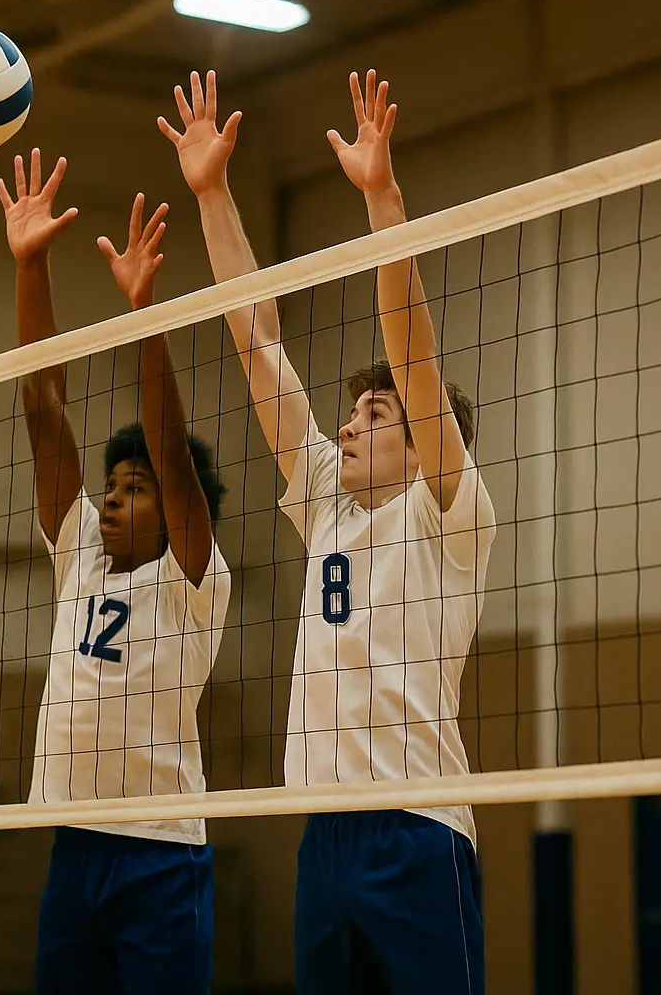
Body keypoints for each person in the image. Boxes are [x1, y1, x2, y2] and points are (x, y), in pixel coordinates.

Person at [162, 69, 496, 993]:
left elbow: (413, 349)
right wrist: (213, 193)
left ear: (429, 438)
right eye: (350, 413)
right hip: (325, 832)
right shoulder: (326, 503)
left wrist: (383, 200)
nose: (348, 425)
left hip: (420, 832)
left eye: (373, 413)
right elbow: (254, 337)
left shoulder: (449, 512)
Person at [0, 148, 232, 993]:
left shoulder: (193, 579)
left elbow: (170, 450)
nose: (111, 501)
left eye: (135, 491)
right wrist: (32, 265)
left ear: (175, 510)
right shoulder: (81, 558)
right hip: (77, 839)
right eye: (112, 487)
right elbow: (41, 404)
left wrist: (144, 318)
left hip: (161, 850)